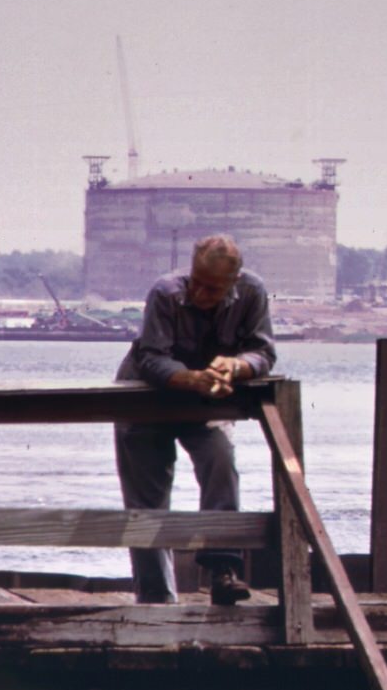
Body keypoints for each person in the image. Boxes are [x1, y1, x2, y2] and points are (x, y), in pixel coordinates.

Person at [114, 234, 276, 605]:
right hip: (147, 400)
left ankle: (223, 570)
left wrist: (237, 366)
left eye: (213, 289)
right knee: (146, 503)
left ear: (234, 281)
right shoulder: (165, 293)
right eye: (197, 283)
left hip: (206, 401)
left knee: (221, 461)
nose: (201, 294)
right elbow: (151, 357)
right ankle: (155, 599)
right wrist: (190, 378)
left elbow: (263, 352)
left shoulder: (253, 292)